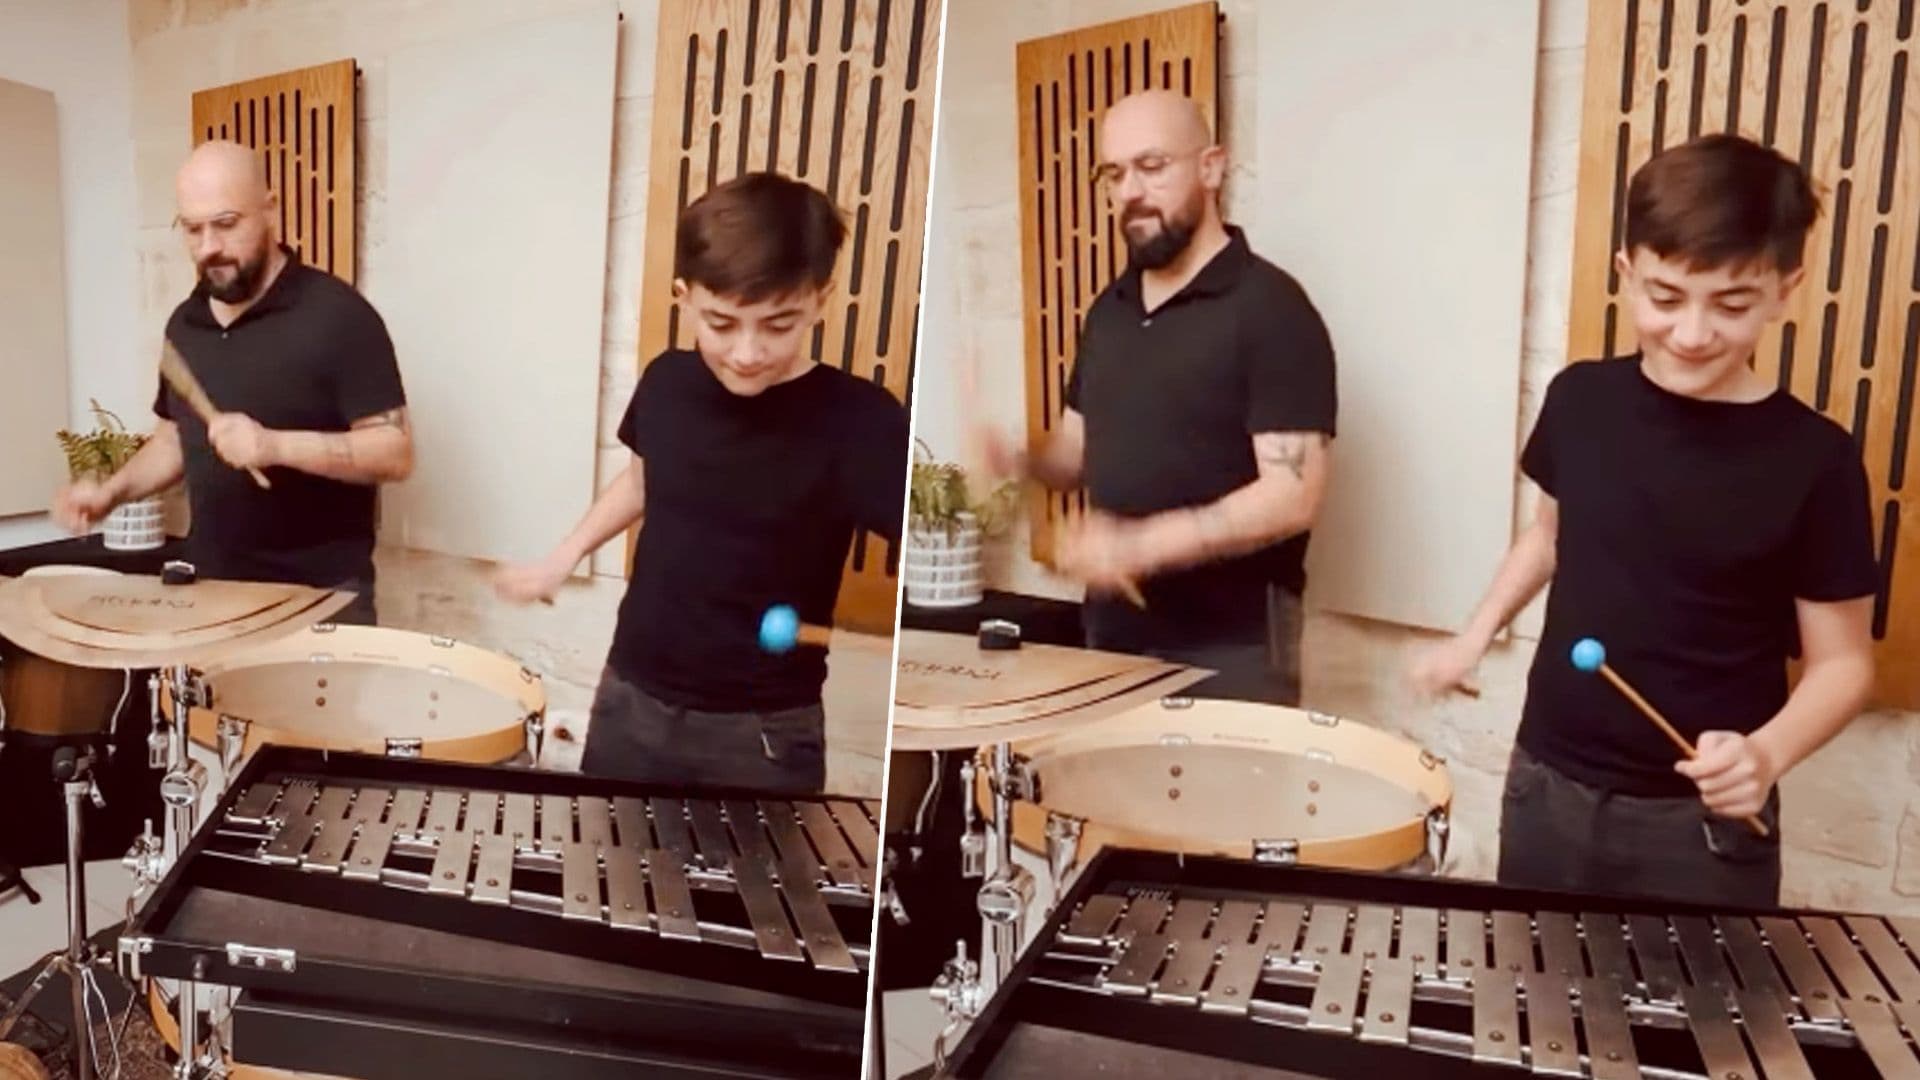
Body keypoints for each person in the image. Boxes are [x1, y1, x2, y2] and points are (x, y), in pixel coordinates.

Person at [1408, 133, 1877, 907]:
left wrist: (1765, 755)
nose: (1691, 333)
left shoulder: (1815, 460)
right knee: (1527, 979)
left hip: (1696, 825)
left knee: (1695, 996)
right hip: (1547, 781)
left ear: (1784, 291)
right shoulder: (1580, 400)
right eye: (1665, 298)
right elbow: (1550, 535)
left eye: (1732, 305)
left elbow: (1845, 665)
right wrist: (1474, 635)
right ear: (1626, 273)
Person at [495, 171, 907, 794]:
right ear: (684, 299)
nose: (747, 352)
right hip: (630, 697)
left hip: (761, 733)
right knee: (602, 852)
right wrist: (565, 555)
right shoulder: (667, 383)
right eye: (721, 323)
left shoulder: (860, 421)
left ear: (820, 301)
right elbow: (642, 483)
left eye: (778, 325)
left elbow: (924, 546)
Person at [978, 89, 1337, 705]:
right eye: (1114, 174)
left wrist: (1143, 545)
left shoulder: (1272, 309)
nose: (1130, 192)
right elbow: (1075, 453)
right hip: (1113, 636)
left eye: (1152, 166)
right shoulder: (1109, 313)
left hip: (1234, 652)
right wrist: (1020, 458)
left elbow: (1293, 495)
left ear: (1211, 167)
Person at [51, 141, 411, 625]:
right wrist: (111, 493)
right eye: (192, 229)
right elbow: (174, 440)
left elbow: (394, 451)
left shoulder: (338, 315)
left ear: (270, 210)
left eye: (225, 224)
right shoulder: (185, 326)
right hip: (212, 596)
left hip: (320, 603)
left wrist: (274, 446)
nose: (208, 248)